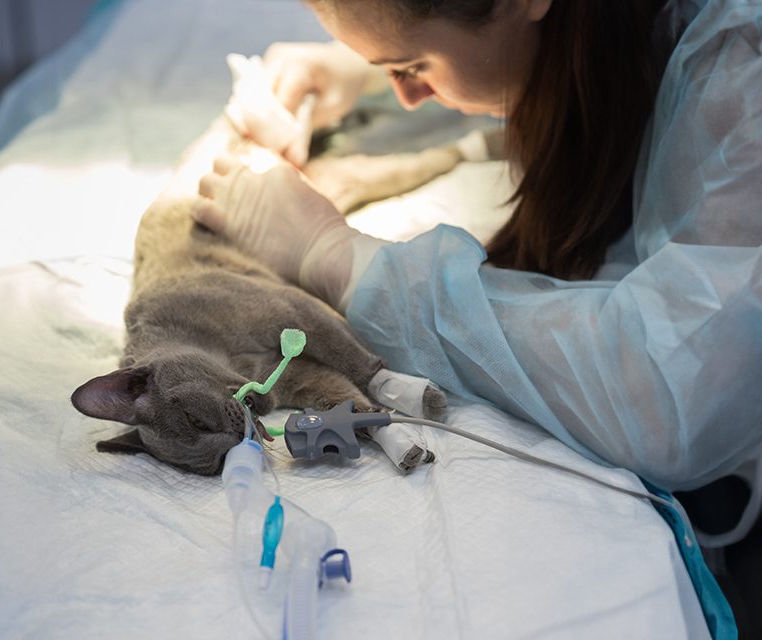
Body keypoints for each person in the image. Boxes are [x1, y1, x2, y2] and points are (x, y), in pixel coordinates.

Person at [193, 0, 762, 491]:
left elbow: (666, 397)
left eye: (413, 68)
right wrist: (362, 61)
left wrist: (343, 259)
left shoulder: (745, 70)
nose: (411, 97)